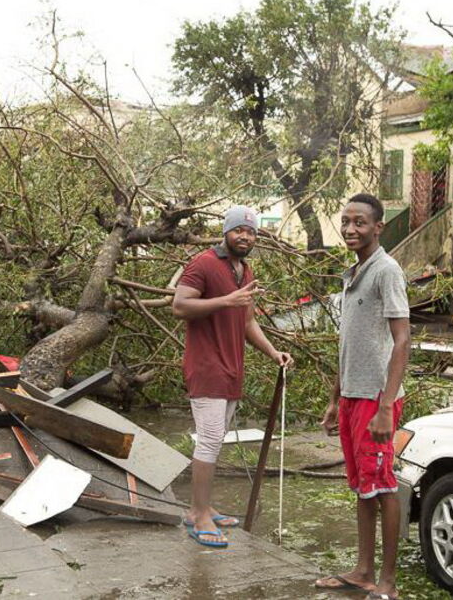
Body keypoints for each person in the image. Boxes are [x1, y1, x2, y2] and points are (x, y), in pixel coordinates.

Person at [172, 204, 293, 548]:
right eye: (239, 230)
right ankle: (198, 515)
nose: (245, 236)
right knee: (209, 440)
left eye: (251, 232)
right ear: (226, 231)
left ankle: (204, 505)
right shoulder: (203, 263)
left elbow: (248, 321)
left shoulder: (245, 271)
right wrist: (226, 300)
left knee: (217, 439)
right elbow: (180, 306)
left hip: (232, 369)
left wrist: (273, 352)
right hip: (207, 367)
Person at [315, 193, 411, 600]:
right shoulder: (352, 272)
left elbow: (402, 339)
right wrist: (336, 398)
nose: (351, 229)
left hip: (377, 399)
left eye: (360, 223)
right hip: (353, 396)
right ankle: (363, 571)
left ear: (378, 227)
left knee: (383, 485)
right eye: (346, 221)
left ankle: (386, 584)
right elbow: (348, 343)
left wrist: (386, 406)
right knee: (362, 486)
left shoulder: (386, 271)